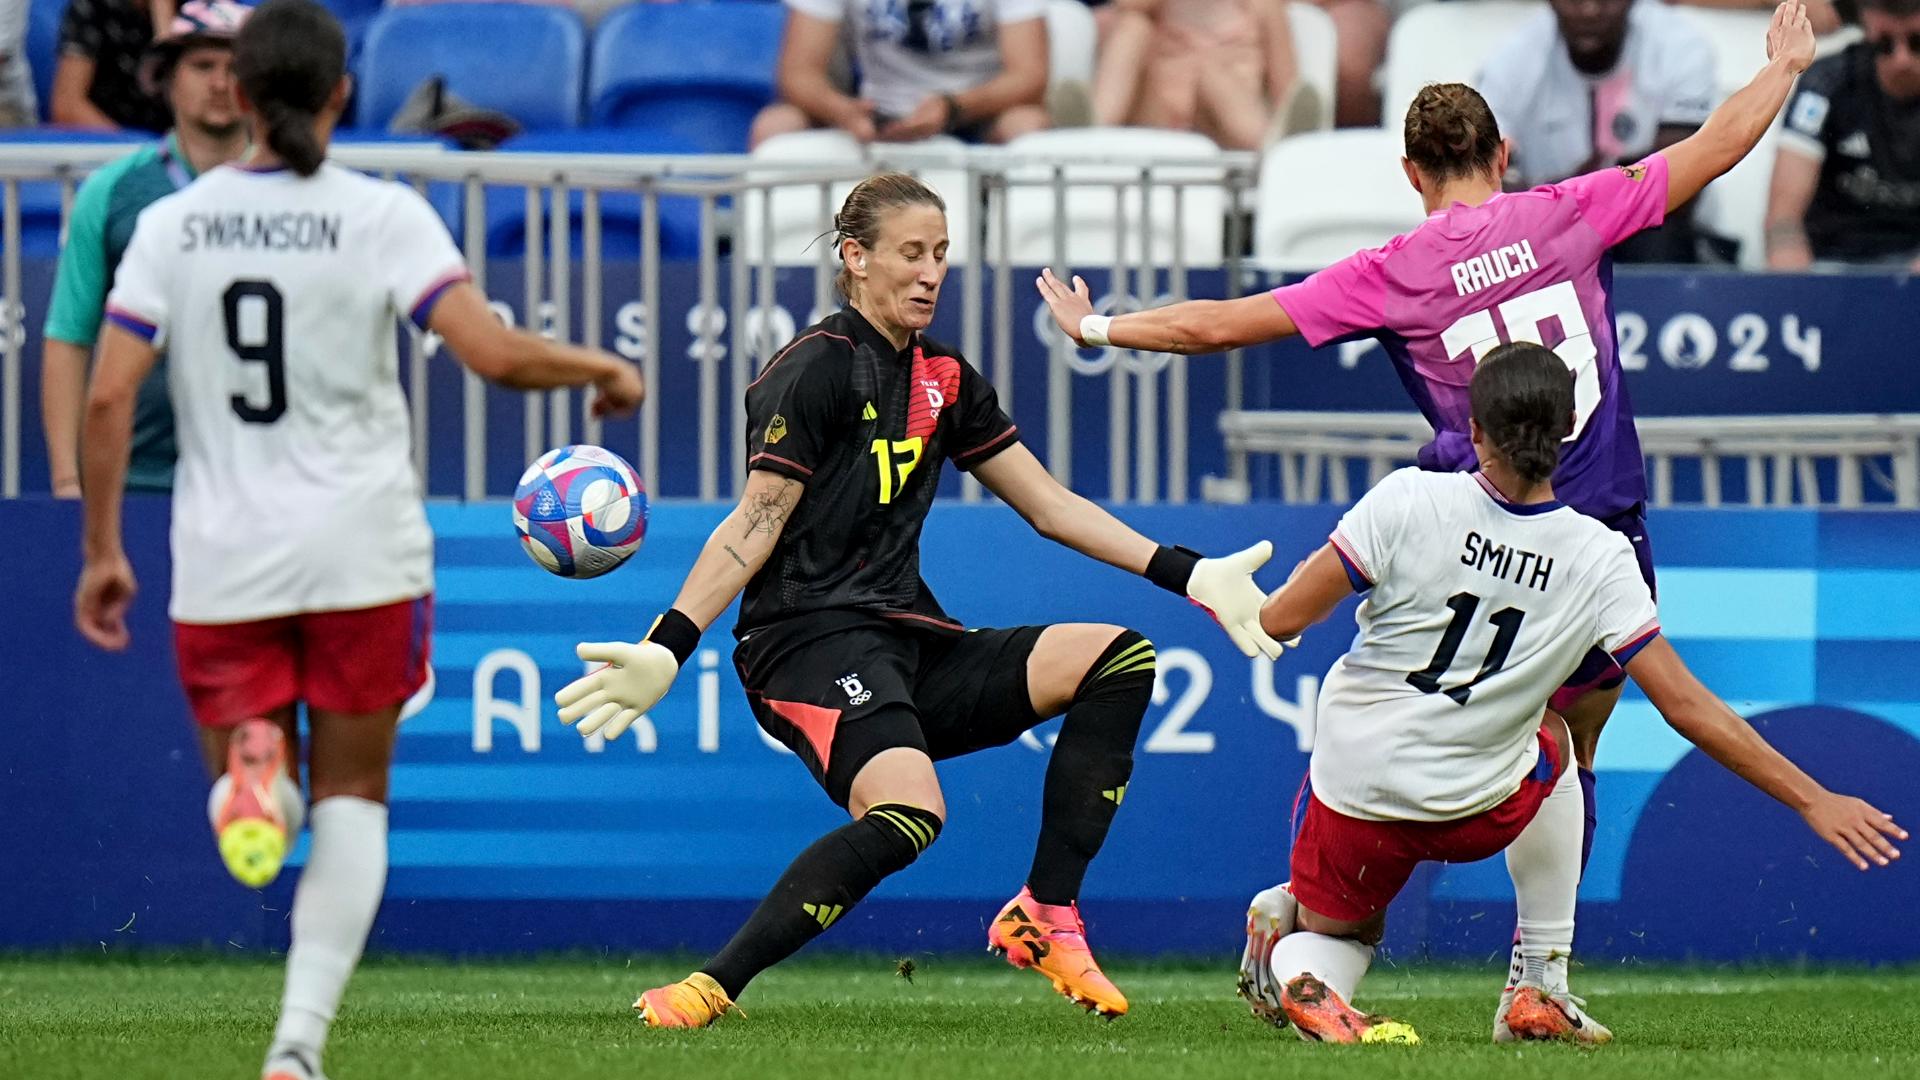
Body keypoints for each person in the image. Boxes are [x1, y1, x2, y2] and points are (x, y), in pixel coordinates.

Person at [1035, 0, 1818, 1042]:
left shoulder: (1389, 270)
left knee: (1459, 734)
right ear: (1505, 152)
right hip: (1592, 533)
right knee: (1566, 755)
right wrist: (1785, 68)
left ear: (1410, 173)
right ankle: (1526, 974)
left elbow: (1218, 324)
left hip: (1462, 528)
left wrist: (1093, 322)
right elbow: (1721, 143)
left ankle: (1335, 923)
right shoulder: (1571, 209)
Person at [552, 171, 1283, 1028]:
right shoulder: (812, 371)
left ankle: (1046, 914)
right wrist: (667, 646)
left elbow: (1050, 507)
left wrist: (1187, 573)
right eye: (911, 253)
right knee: (909, 813)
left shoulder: (945, 378)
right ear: (855, 260)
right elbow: (754, 523)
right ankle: (709, 987)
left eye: (941, 254)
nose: (932, 271)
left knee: (1117, 658)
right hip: (805, 642)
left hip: (906, 635)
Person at [70, 4, 644, 1079]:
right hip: (361, 551)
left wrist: (103, 549)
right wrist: (601, 371)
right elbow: (494, 356)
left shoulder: (173, 226)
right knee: (351, 802)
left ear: (236, 94)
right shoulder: (382, 215)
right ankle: (296, 1048)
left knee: (268, 793)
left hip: (223, 555)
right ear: (343, 93)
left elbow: (107, 400)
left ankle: (254, 768)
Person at [1233, 342, 1904, 1044]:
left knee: (1347, 933)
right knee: (1558, 733)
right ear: (1571, 427)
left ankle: (1306, 970)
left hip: (1355, 793)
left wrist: (1232, 597)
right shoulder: (1600, 555)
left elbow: (1282, 619)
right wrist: (1812, 797)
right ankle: (1539, 984)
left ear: (1474, 427)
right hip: (1475, 806)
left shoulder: (1408, 499)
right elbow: (1687, 707)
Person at [40, 0, 250, 500]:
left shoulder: (294, 193)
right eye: (202, 66)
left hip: (260, 485)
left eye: (235, 69)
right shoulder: (110, 191)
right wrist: (68, 480)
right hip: (134, 482)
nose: (220, 84)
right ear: (166, 79)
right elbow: (69, 336)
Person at [1477, 0, 1720, 264]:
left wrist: (1560, 194)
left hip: (1658, 235)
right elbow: (1481, 181)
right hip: (1545, 233)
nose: (1590, 10)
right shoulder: (1513, 56)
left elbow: (1678, 181)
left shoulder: (1680, 46)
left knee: (1655, 230)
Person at [751, 0, 1050, 148]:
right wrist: (842, 111)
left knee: (1029, 124)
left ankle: (1025, 266)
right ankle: (783, 265)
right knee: (776, 126)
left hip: (978, 114)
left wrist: (954, 107)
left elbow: (1030, 75)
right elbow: (797, 73)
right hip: (872, 115)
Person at [1767, 0, 1920, 269]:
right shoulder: (1826, 82)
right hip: (1833, 264)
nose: (1902, 59)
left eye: (1918, 43)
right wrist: (1792, 279)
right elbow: (1783, 219)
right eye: (1884, 45)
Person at [1091, 0, 1301, 150]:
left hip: (1226, 131)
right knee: (1133, 27)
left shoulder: (1264, 6)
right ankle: (1091, 127)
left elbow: (1288, 91)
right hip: (1160, 119)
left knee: (1209, 72)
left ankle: (1275, 144)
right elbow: (1122, 6)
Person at [52, 0, 172, 131]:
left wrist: (165, 30)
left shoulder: (193, 11)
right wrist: (130, 146)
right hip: (111, 138)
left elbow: (189, 102)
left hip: (181, 141)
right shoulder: (94, 7)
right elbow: (68, 107)